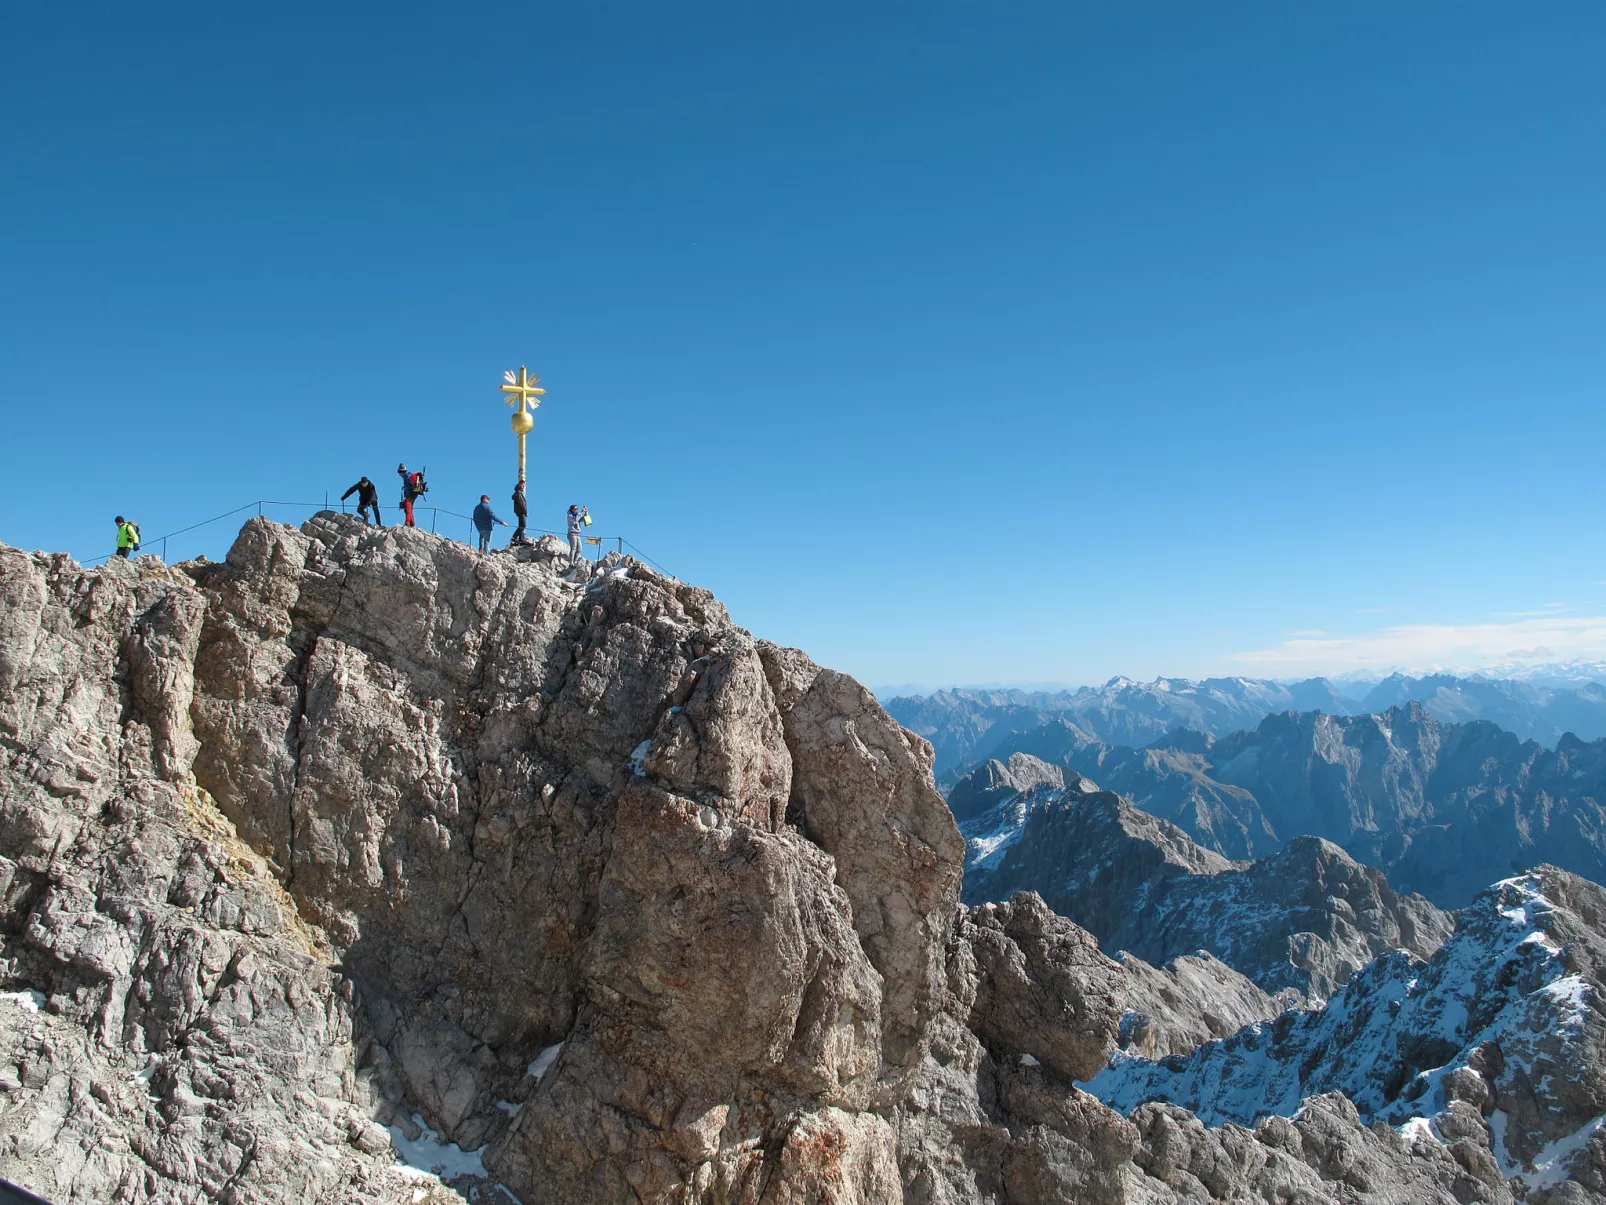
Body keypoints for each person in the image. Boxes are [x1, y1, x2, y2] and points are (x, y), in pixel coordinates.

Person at [566, 504, 589, 568]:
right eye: (575, 509)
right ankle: (571, 562)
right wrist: (581, 512)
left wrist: (586, 512)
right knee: (574, 548)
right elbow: (576, 519)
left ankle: (575, 561)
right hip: (572, 533)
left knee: (579, 549)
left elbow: (582, 519)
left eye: (577, 509)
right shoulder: (570, 516)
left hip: (578, 534)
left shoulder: (577, 515)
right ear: (572, 509)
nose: (577, 510)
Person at [510, 477, 528, 545]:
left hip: (519, 511)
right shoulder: (519, 493)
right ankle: (515, 537)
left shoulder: (518, 493)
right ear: (520, 485)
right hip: (521, 512)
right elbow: (522, 504)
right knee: (523, 525)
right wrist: (525, 512)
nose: (523, 487)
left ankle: (521, 539)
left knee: (521, 525)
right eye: (523, 485)